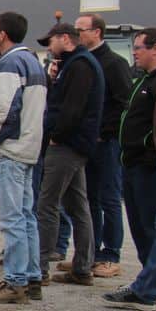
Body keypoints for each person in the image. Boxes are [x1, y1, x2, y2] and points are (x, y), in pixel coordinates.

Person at [104, 0, 156, 311]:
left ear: (155, 49)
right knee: (148, 224)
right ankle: (154, 282)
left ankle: (155, 286)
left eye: (139, 47)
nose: (134, 52)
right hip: (135, 161)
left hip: (151, 161)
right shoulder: (144, 80)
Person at [0, 12, 47, 304]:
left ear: (3, 34)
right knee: (26, 215)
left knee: (12, 219)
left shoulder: (9, 63)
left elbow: (4, 108)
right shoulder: (33, 62)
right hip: (29, 148)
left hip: (9, 150)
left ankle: (16, 280)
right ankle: (32, 277)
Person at [36, 22, 104, 287]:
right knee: (78, 206)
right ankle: (83, 267)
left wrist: (55, 135)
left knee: (47, 204)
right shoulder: (76, 64)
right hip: (76, 144)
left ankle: (38, 268)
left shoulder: (79, 66)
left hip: (66, 145)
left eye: (50, 41)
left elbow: (72, 109)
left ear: (65, 39)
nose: (49, 48)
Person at [73, 13, 132, 277]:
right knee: (89, 199)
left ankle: (110, 254)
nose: (77, 35)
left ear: (96, 32)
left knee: (109, 198)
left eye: (81, 30)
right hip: (86, 143)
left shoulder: (114, 63)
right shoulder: (82, 62)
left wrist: (104, 132)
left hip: (106, 142)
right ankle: (90, 253)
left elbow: (122, 104)